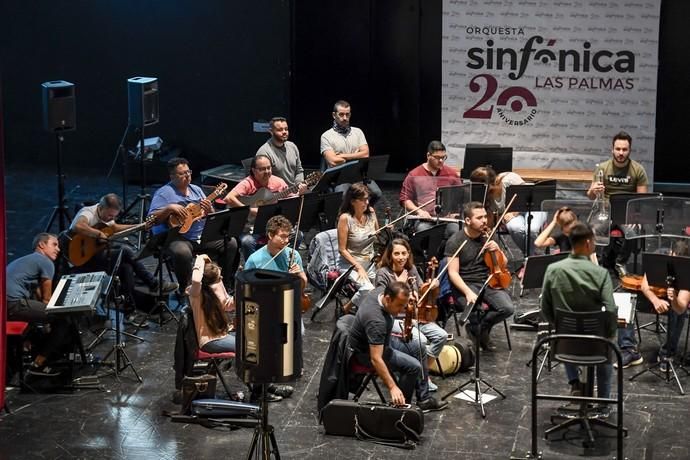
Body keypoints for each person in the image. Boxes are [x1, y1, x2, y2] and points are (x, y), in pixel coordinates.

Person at [540, 222, 617, 417]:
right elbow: (610, 310)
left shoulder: (553, 269)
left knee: (567, 330)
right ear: (588, 243)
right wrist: (609, 336)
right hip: (595, 345)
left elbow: (545, 308)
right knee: (607, 347)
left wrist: (558, 326)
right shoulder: (600, 274)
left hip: (564, 344)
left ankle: (575, 382)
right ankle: (604, 403)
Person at [586, 131, 649, 367]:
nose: (621, 153)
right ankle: (599, 265)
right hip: (606, 210)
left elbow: (643, 201)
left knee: (633, 231)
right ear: (612, 149)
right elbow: (590, 194)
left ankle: (621, 261)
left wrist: (635, 216)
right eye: (618, 149)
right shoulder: (602, 167)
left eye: (625, 149)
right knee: (591, 229)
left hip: (627, 212)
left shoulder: (637, 170)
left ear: (629, 150)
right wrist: (595, 189)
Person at [69, 193, 178, 325]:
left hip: (98, 255)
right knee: (125, 250)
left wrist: (140, 226)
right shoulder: (88, 212)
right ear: (101, 208)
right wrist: (97, 233)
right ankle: (153, 283)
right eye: (109, 215)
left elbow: (114, 228)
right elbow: (78, 226)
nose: (111, 218)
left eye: (114, 216)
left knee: (127, 267)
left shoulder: (107, 215)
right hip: (83, 259)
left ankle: (130, 312)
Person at [347, 282, 447, 412]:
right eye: (400, 305)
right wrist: (392, 387)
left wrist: (408, 297)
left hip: (383, 342)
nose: (402, 310)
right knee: (413, 367)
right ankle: (401, 409)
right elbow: (376, 359)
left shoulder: (382, 291)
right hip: (366, 354)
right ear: (388, 299)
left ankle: (424, 399)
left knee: (419, 346)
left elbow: (396, 287)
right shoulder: (376, 321)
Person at [149, 157, 238, 294]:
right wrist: (169, 208)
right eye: (182, 173)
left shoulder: (196, 189)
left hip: (202, 235)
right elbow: (152, 220)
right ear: (172, 176)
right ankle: (187, 289)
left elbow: (210, 216)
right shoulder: (164, 193)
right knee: (182, 252)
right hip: (179, 237)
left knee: (230, 242)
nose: (187, 176)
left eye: (188, 172)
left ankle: (223, 284)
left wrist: (210, 210)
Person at [375, 238, 448, 393]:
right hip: (396, 319)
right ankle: (419, 375)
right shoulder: (383, 273)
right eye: (397, 254)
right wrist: (399, 284)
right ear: (390, 255)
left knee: (441, 336)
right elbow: (383, 299)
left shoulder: (412, 269)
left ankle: (422, 371)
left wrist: (432, 285)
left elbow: (421, 289)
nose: (401, 257)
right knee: (418, 341)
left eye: (404, 253)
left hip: (415, 316)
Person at [444, 201, 516, 351]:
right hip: (465, 283)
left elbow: (504, 262)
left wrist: (498, 250)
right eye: (479, 218)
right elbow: (453, 273)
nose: (484, 220)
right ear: (468, 221)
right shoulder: (455, 241)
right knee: (475, 311)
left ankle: (478, 329)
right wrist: (468, 292)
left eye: (485, 216)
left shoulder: (489, 235)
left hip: (488, 281)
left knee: (507, 308)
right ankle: (481, 331)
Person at [6, 233, 70, 376]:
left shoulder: (27, 261)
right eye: (54, 244)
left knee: (41, 321)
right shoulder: (45, 261)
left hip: (6, 304)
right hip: (13, 303)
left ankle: (29, 353)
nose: (58, 249)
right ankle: (39, 363)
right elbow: (47, 300)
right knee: (63, 318)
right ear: (41, 245)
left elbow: (38, 298)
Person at [224, 155, 294, 259]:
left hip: (272, 225)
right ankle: (253, 268)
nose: (267, 171)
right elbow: (228, 198)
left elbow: (291, 199)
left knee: (296, 235)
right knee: (247, 242)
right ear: (253, 170)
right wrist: (250, 210)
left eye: (269, 168)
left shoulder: (278, 182)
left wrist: (299, 192)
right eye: (262, 169)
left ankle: (283, 262)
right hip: (250, 227)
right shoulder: (248, 183)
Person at [470, 165, 547, 255]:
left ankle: (529, 256)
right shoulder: (487, 196)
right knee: (514, 228)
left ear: (487, 184)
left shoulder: (508, 179)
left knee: (532, 229)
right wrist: (488, 229)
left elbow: (527, 196)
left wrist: (511, 212)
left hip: (534, 208)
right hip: (513, 215)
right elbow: (492, 218)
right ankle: (532, 256)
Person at [639, 240, 690, 372]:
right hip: (653, 295)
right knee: (628, 299)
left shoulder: (687, 269)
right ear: (670, 253)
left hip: (672, 298)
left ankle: (667, 353)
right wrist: (655, 300)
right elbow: (644, 286)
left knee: (677, 313)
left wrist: (673, 300)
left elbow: (681, 308)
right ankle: (628, 350)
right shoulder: (659, 257)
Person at [320, 100, 382, 204]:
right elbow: (333, 161)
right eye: (341, 114)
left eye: (347, 114)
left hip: (358, 174)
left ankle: (364, 215)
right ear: (334, 115)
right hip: (340, 177)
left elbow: (365, 154)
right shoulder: (326, 136)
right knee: (344, 197)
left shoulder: (358, 132)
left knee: (376, 193)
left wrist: (343, 156)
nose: (345, 118)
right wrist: (357, 155)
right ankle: (345, 218)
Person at [399, 140, 462, 236]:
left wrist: (455, 212)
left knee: (455, 231)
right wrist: (419, 211)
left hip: (446, 218)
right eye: (437, 157)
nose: (441, 160)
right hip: (425, 218)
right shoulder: (414, 175)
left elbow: (460, 196)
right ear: (428, 156)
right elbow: (405, 199)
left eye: (443, 157)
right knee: (423, 230)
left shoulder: (451, 174)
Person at [337, 182, 378, 314]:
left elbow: (377, 236)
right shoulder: (345, 218)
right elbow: (342, 249)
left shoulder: (371, 213)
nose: (367, 202)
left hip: (370, 263)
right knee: (368, 289)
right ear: (353, 201)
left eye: (368, 199)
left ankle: (354, 309)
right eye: (363, 200)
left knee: (384, 288)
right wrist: (359, 267)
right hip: (351, 265)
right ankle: (352, 310)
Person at [255, 116, 307, 193]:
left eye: (286, 129)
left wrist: (299, 185)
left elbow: (299, 170)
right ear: (271, 131)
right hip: (275, 195)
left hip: (294, 192)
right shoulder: (264, 152)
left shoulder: (292, 146)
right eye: (280, 130)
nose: (284, 132)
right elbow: (263, 179)